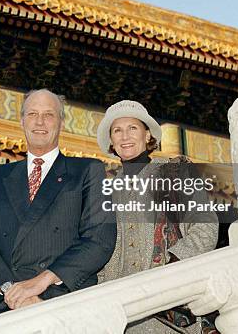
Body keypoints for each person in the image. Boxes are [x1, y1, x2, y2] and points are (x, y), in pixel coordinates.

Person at [0, 89, 116, 318]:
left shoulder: (88, 171)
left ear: (61, 122)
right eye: (32, 114)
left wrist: (41, 282)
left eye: (49, 114)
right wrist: (13, 292)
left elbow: (99, 239)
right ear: (22, 121)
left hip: (65, 301)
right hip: (6, 306)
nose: (40, 122)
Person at [96, 100, 219, 334]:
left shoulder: (175, 171)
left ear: (148, 134)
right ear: (111, 141)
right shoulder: (104, 191)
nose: (125, 136)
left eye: (132, 128)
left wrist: (172, 266)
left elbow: (205, 226)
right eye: (117, 131)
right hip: (120, 315)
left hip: (171, 308)